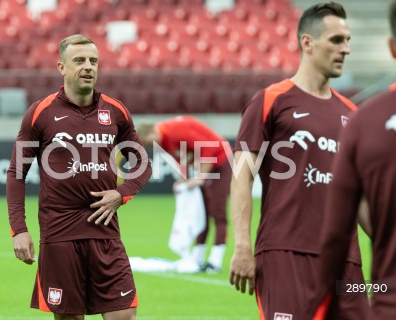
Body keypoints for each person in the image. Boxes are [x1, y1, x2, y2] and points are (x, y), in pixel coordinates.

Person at [229, 2, 369, 319]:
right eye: (336, 40)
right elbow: (241, 176)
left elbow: (360, 198)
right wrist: (241, 246)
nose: (345, 49)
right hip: (285, 255)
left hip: (347, 264)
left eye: (348, 40)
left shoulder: (353, 114)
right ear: (307, 42)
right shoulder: (270, 101)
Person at [6, 34, 152, 320]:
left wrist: (121, 194)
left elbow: (142, 163)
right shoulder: (40, 113)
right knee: (69, 318)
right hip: (59, 234)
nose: (88, 67)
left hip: (105, 232)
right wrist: (19, 229)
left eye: (93, 61)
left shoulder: (115, 111)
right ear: (61, 67)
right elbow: (16, 173)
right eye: (80, 61)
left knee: (124, 316)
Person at [311, 1, 396, 318]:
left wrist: (324, 301)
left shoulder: (364, 120)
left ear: (391, 48)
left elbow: (337, 231)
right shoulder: (355, 118)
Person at [137, 116, 231, 273]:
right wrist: (183, 179)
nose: (150, 146)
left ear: (153, 130)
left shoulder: (174, 132)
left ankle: (216, 261)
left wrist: (201, 176)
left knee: (217, 211)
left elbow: (209, 147)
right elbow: (181, 158)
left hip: (222, 160)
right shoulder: (162, 140)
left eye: (148, 141)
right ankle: (198, 257)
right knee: (202, 212)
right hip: (205, 164)